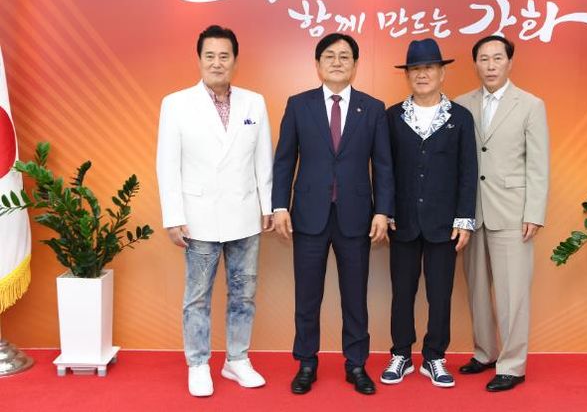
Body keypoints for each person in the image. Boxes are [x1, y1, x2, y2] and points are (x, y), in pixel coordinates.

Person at [272, 32, 394, 395]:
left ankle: (356, 364)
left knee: (355, 297)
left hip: (356, 217)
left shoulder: (372, 108)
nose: (337, 62)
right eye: (329, 56)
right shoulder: (299, 105)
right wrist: (279, 206)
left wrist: (383, 211)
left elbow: (383, 165)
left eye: (344, 56)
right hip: (308, 215)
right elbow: (284, 160)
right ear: (317, 64)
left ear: (355, 65)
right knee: (307, 297)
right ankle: (306, 363)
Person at [156, 25, 273, 397]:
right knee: (197, 297)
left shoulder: (254, 102)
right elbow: (167, 164)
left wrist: (267, 205)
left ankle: (237, 359)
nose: (217, 62)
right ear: (199, 59)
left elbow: (263, 158)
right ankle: (198, 363)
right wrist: (173, 216)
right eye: (210, 55)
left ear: (235, 61)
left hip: (245, 214)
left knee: (243, 293)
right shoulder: (176, 103)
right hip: (198, 217)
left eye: (225, 56)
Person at [380, 38, 477, 388]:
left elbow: (468, 171)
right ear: (407, 75)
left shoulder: (460, 117)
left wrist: (464, 219)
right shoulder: (392, 117)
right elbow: (384, 169)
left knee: (440, 294)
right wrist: (385, 211)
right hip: (402, 221)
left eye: (429, 68)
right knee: (402, 292)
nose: (422, 75)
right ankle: (401, 354)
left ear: (442, 73)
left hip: (444, 224)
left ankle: (434, 356)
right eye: (416, 69)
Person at [455, 35, 549, 392]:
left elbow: (538, 164)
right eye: (484, 59)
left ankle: (512, 365)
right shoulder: (461, 105)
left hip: (512, 212)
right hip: (471, 212)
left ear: (510, 62)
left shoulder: (530, 105)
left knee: (513, 294)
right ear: (475, 64)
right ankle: (485, 352)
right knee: (477, 290)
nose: (490, 65)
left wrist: (534, 212)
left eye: (497, 58)